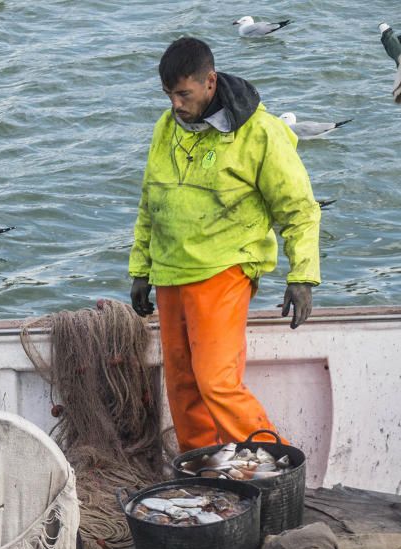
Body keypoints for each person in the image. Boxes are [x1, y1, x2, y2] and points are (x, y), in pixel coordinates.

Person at [128, 37, 320, 452]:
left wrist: (302, 276)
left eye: (184, 94)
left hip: (224, 268)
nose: (176, 104)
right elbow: (151, 199)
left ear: (210, 81)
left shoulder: (260, 132)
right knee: (181, 383)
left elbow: (300, 209)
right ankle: (204, 470)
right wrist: (140, 269)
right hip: (169, 271)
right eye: (169, 95)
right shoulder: (167, 126)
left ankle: (272, 465)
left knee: (216, 381)